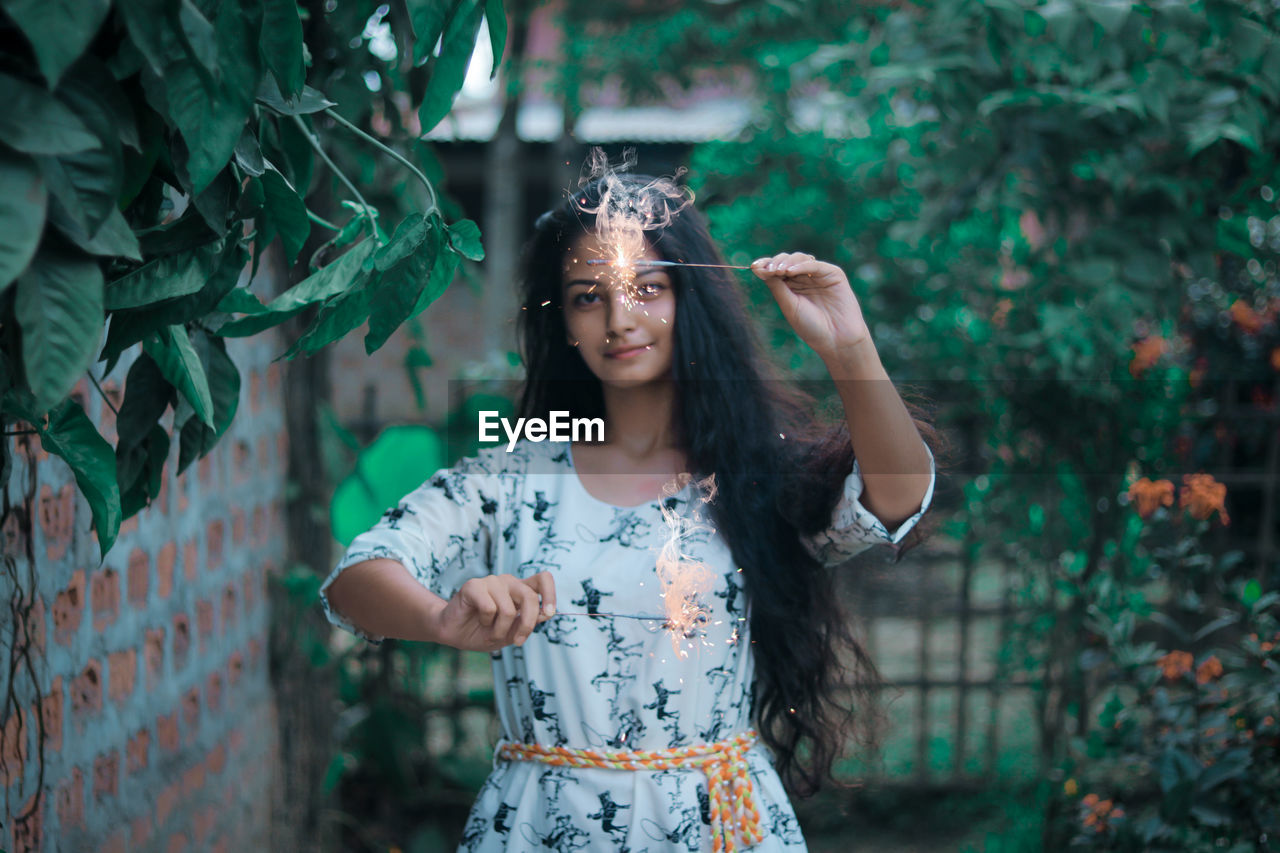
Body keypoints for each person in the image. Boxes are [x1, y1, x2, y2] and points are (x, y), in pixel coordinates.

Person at [320, 172, 941, 852]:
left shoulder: (753, 471)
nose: (620, 319)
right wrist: (441, 617)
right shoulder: (516, 472)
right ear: (563, 321)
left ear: (690, 297)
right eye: (591, 297)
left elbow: (896, 499)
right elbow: (356, 578)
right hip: (540, 827)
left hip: (719, 826)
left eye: (648, 288)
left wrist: (849, 348)